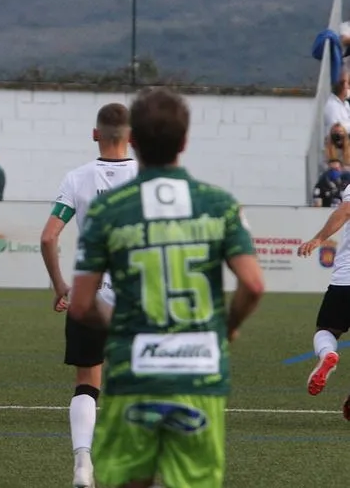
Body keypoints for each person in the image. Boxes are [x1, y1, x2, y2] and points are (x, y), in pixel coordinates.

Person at [69, 86, 264, 488]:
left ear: (134, 142)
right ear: (185, 141)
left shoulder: (109, 210)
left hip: (134, 369)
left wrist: (123, 326)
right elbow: (253, 284)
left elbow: (82, 304)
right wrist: (227, 326)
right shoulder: (219, 204)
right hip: (199, 370)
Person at [39, 102, 138, 488]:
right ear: (131, 137)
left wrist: (59, 286)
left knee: (87, 383)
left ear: (96, 134)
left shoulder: (77, 178)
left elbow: (48, 237)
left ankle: (83, 462)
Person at [297, 182, 350, 418]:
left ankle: (328, 353)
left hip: (346, 279)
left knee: (327, 330)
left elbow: (346, 210)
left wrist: (318, 239)